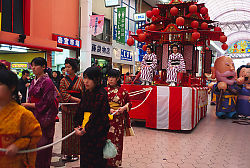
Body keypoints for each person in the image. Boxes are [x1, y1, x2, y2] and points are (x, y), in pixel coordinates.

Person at [0, 69, 42, 168]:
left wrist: (18, 145)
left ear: (12, 87)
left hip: (13, 163)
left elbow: (35, 135)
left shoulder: (23, 114)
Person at [22, 57, 59, 168]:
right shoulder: (33, 80)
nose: (33, 68)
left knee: (43, 147)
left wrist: (28, 105)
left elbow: (46, 103)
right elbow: (30, 97)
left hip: (44, 117)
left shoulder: (48, 82)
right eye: (32, 65)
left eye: (36, 65)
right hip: (33, 115)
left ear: (43, 67)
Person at [74, 66, 110, 168]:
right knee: (85, 158)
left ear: (97, 79)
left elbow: (97, 115)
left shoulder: (102, 94)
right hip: (84, 130)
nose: (86, 81)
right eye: (85, 78)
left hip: (97, 133)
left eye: (89, 78)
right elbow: (80, 110)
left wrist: (86, 129)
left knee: (96, 159)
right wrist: (77, 125)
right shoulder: (86, 93)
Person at [105, 69, 133, 167]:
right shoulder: (103, 91)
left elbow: (129, 103)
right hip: (105, 119)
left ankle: (115, 162)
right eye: (109, 77)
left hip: (118, 120)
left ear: (117, 79)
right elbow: (99, 104)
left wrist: (124, 108)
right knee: (105, 140)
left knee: (117, 140)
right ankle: (105, 162)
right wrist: (108, 109)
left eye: (113, 77)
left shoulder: (123, 92)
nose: (110, 79)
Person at [59, 58, 83, 161]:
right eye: (66, 67)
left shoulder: (80, 80)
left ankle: (75, 153)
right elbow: (63, 93)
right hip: (67, 108)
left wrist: (80, 101)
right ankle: (66, 153)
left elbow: (84, 92)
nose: (67, 69)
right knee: (66, 130)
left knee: (77, 129)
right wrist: (75, 99)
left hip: (78, 109)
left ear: (74, 68)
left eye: (69, 67)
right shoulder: (63, 80)